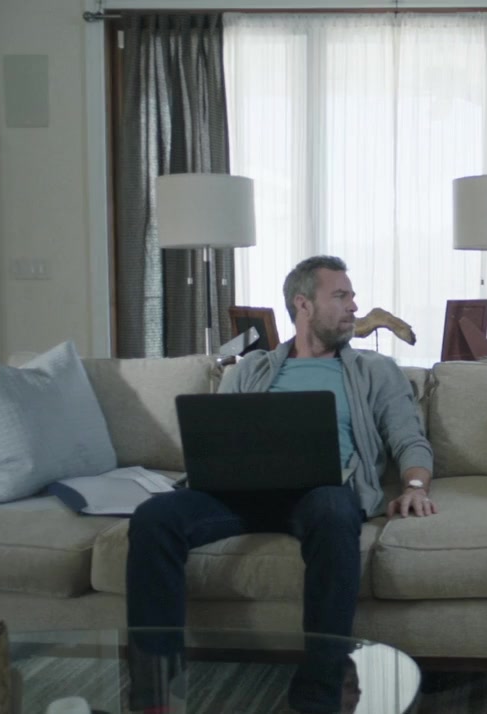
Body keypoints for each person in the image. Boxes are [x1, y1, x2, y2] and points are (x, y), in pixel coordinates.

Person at [125, 255, 436, 713]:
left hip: (322, 493)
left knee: (336, 512)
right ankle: (156, 697)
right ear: (303, 304)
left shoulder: (374, 370)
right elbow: (216, 438)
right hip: (239, 493)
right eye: (341, 296)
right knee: (153, 518)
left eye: (352, 296)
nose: (354, 307)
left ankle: (318, 696)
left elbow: (410, 438)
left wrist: (414, 486)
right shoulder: (250, 369)